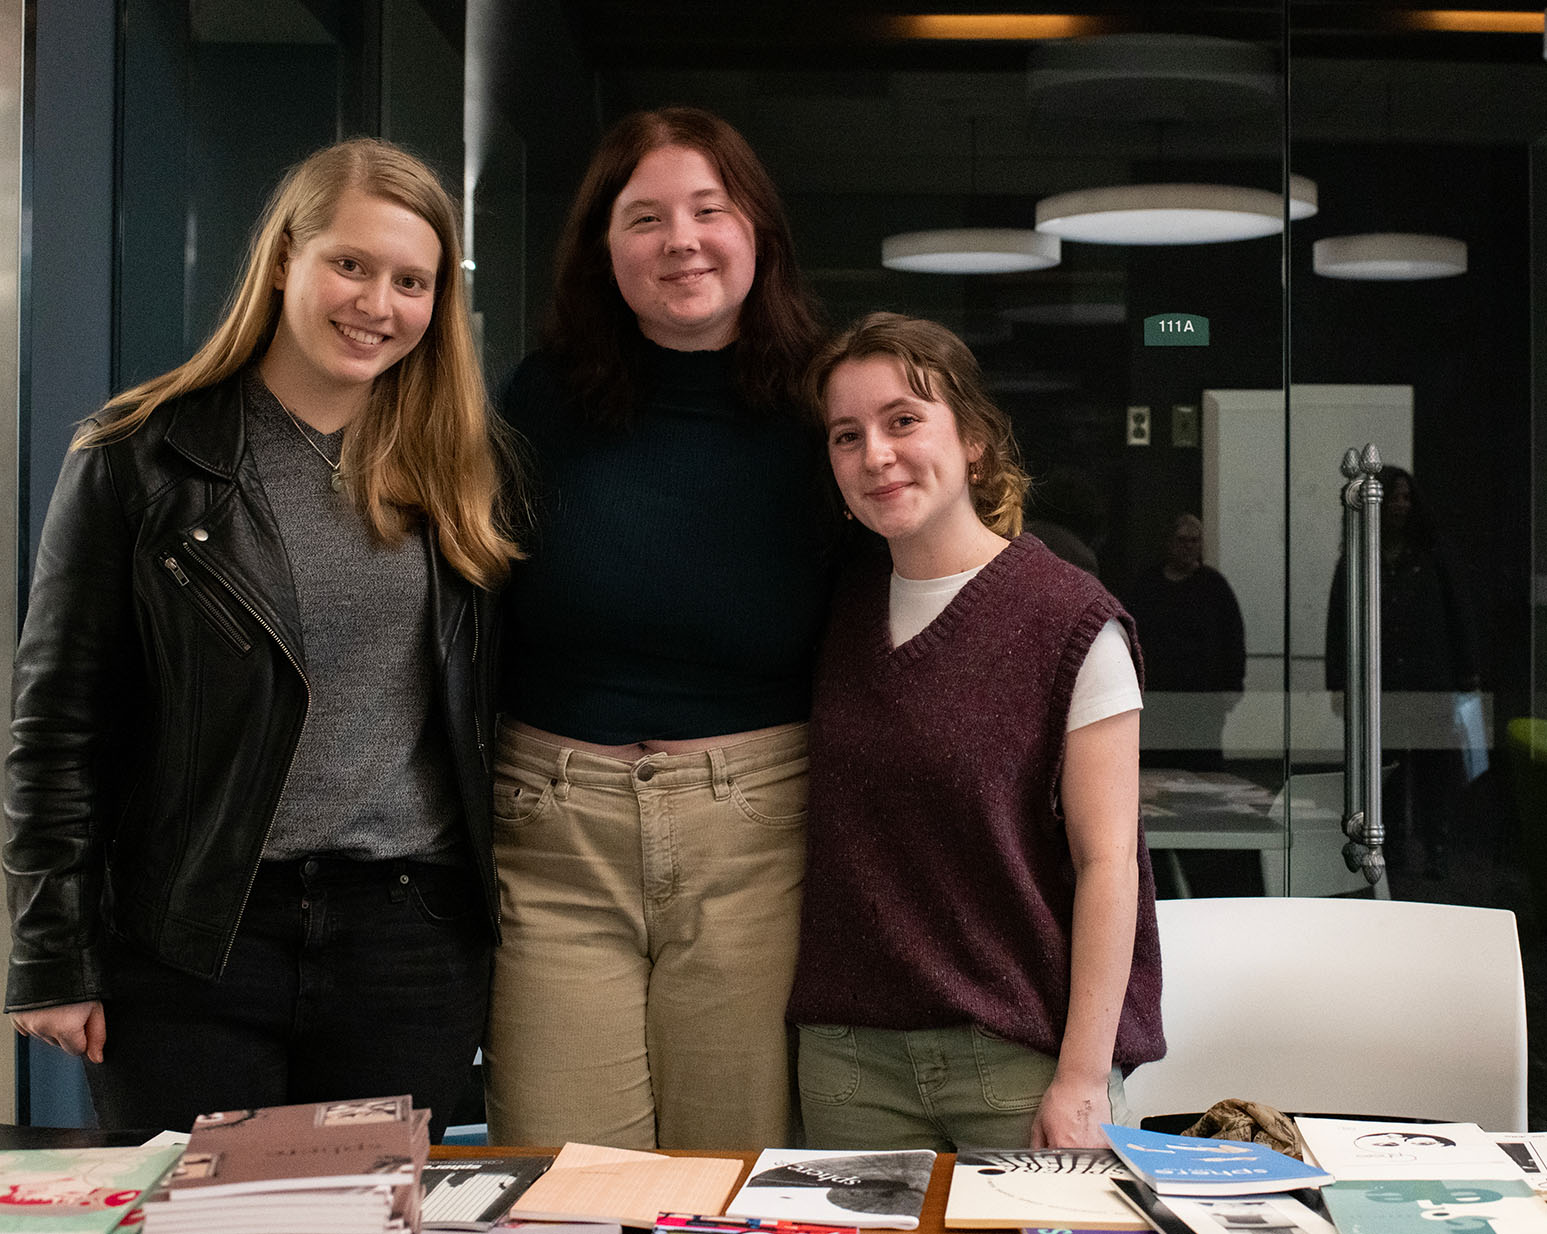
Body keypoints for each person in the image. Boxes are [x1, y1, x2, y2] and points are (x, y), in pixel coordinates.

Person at [2, 138, 519, 1135]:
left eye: (412, 281)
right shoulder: (138, 455)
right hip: (195, 934)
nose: (378, 303)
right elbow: (56, 725)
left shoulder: (470, 473)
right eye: (351, 264)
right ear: (285, 256)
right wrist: (50, 954)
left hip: (405, 942)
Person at [484, 107, 834, 1150]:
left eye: (707, 210)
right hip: (552, 835)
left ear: (757, 231)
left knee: (729, 1183)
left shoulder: (824, 406)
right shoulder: (539, 398)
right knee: (561, 1184)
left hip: (756, 835)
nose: (680, 240)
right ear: (603, 248)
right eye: (644, 218)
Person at [787, 313, 1165, 1151]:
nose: (874, 454)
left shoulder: (1073, 622)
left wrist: (1080, 1078)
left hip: (1017, 1059)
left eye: (903, 420)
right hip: (848, 1060)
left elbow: (1110, 866)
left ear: (975, 444)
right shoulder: (836, 615)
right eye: (846, 436)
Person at [1325, 465, 1480, 878]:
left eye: (1406, 497)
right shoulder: (1358, 555)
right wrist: (1338, 685)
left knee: (1434, 774)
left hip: (1429, 684)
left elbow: (1458, 614)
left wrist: (1468, 676)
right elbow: (1339, 624)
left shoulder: (1433, 555)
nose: (1399, 505)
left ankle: (1437, 850)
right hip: (1381, 688)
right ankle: (1389, 853)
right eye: (1392, 497)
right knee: (1386, 777)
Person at [1121, 513, 1247, 771]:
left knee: (1203, 766)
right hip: (1159, 697)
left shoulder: (1215, 587)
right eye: (1182, 540)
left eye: (1194, 541)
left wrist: (1232, 687)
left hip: (1203, 699)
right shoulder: (1148, 586)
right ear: (1168, 543)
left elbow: (1233, 639)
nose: (1188, 547)